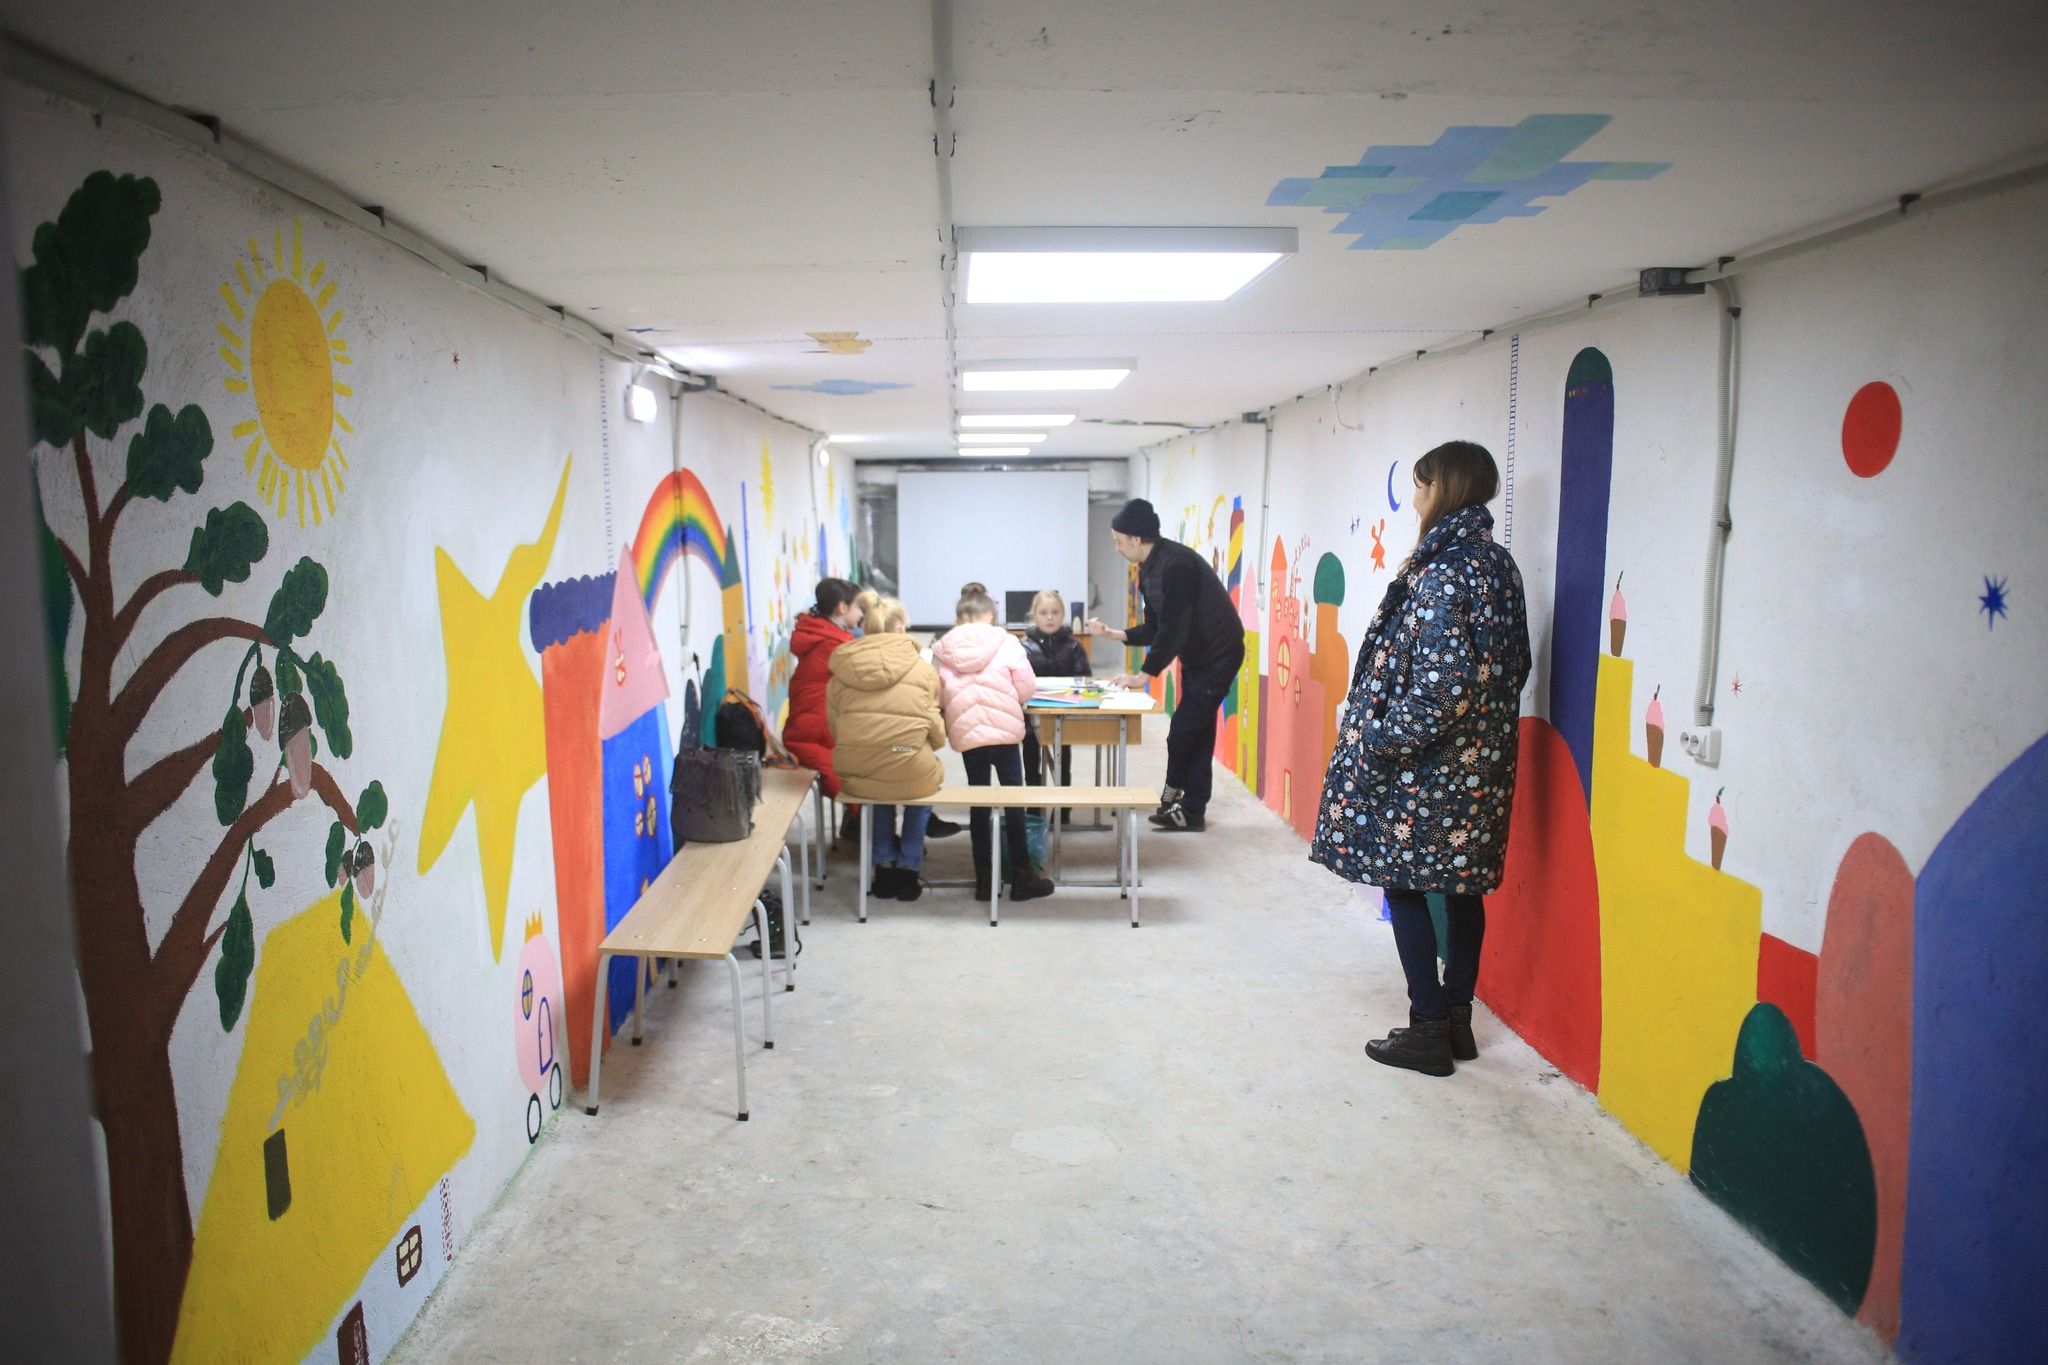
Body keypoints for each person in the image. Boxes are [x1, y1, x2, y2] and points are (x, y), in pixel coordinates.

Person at [1308, 441, 1531, 1077]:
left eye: (1421, 485)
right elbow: (1516, 664)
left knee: (1402, 881)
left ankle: (1427, 1027)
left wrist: (1378, 737)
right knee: (1462, 889)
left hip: (1426, 768)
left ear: (1443, 490)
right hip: (1481, 764)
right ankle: (1457, 1021)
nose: (1414, 498)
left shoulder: (1443, 572)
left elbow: (1442, 687)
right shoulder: (1498, 565)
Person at [1087, 498, 1246, 832]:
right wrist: (1114, 634)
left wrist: (1143, 675)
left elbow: (1174, 629)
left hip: (1219, 654)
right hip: (1197, 657)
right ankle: (1191, 810)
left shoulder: (1176, 565)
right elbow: (1156, 627)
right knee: (1198, 732)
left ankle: (1174, 798)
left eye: (1118, 541)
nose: (1116, 548)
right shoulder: (1148, 569)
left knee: (1182, 732)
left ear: (1136, 538)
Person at [931, 587, 1056, 902]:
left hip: (969, 735)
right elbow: (1026, 687)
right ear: (991, 615)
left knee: (979, 802)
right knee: (1014, 801)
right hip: (1005, 733)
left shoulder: (943, 649)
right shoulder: (1007, 643)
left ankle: (985, 879)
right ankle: (1022, 876)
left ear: (958, 619)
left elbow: (939, 695)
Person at [827, 596, 946, 901]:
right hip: (905, 757)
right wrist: (928, 743)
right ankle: (908, 869)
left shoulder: (841, 671)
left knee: (877, 786)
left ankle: (883, 867)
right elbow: (935, 731)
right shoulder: (923, 671)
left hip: (859, 766)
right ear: (901, 628)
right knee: (918, 784)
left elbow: (835, 727)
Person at [1020, 589, 1090, 809]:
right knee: (1030, 755)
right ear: (1034, 615)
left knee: (1062, 759)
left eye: (1055, 612)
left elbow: (1084, 680)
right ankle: (1034, 807)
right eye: (1043, 613)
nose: (1050, 617)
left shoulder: (1074, 647)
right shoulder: (1023, 647)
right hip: (1031, 718)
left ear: (1063, 615)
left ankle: (1063, 807)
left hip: (1064, 716)